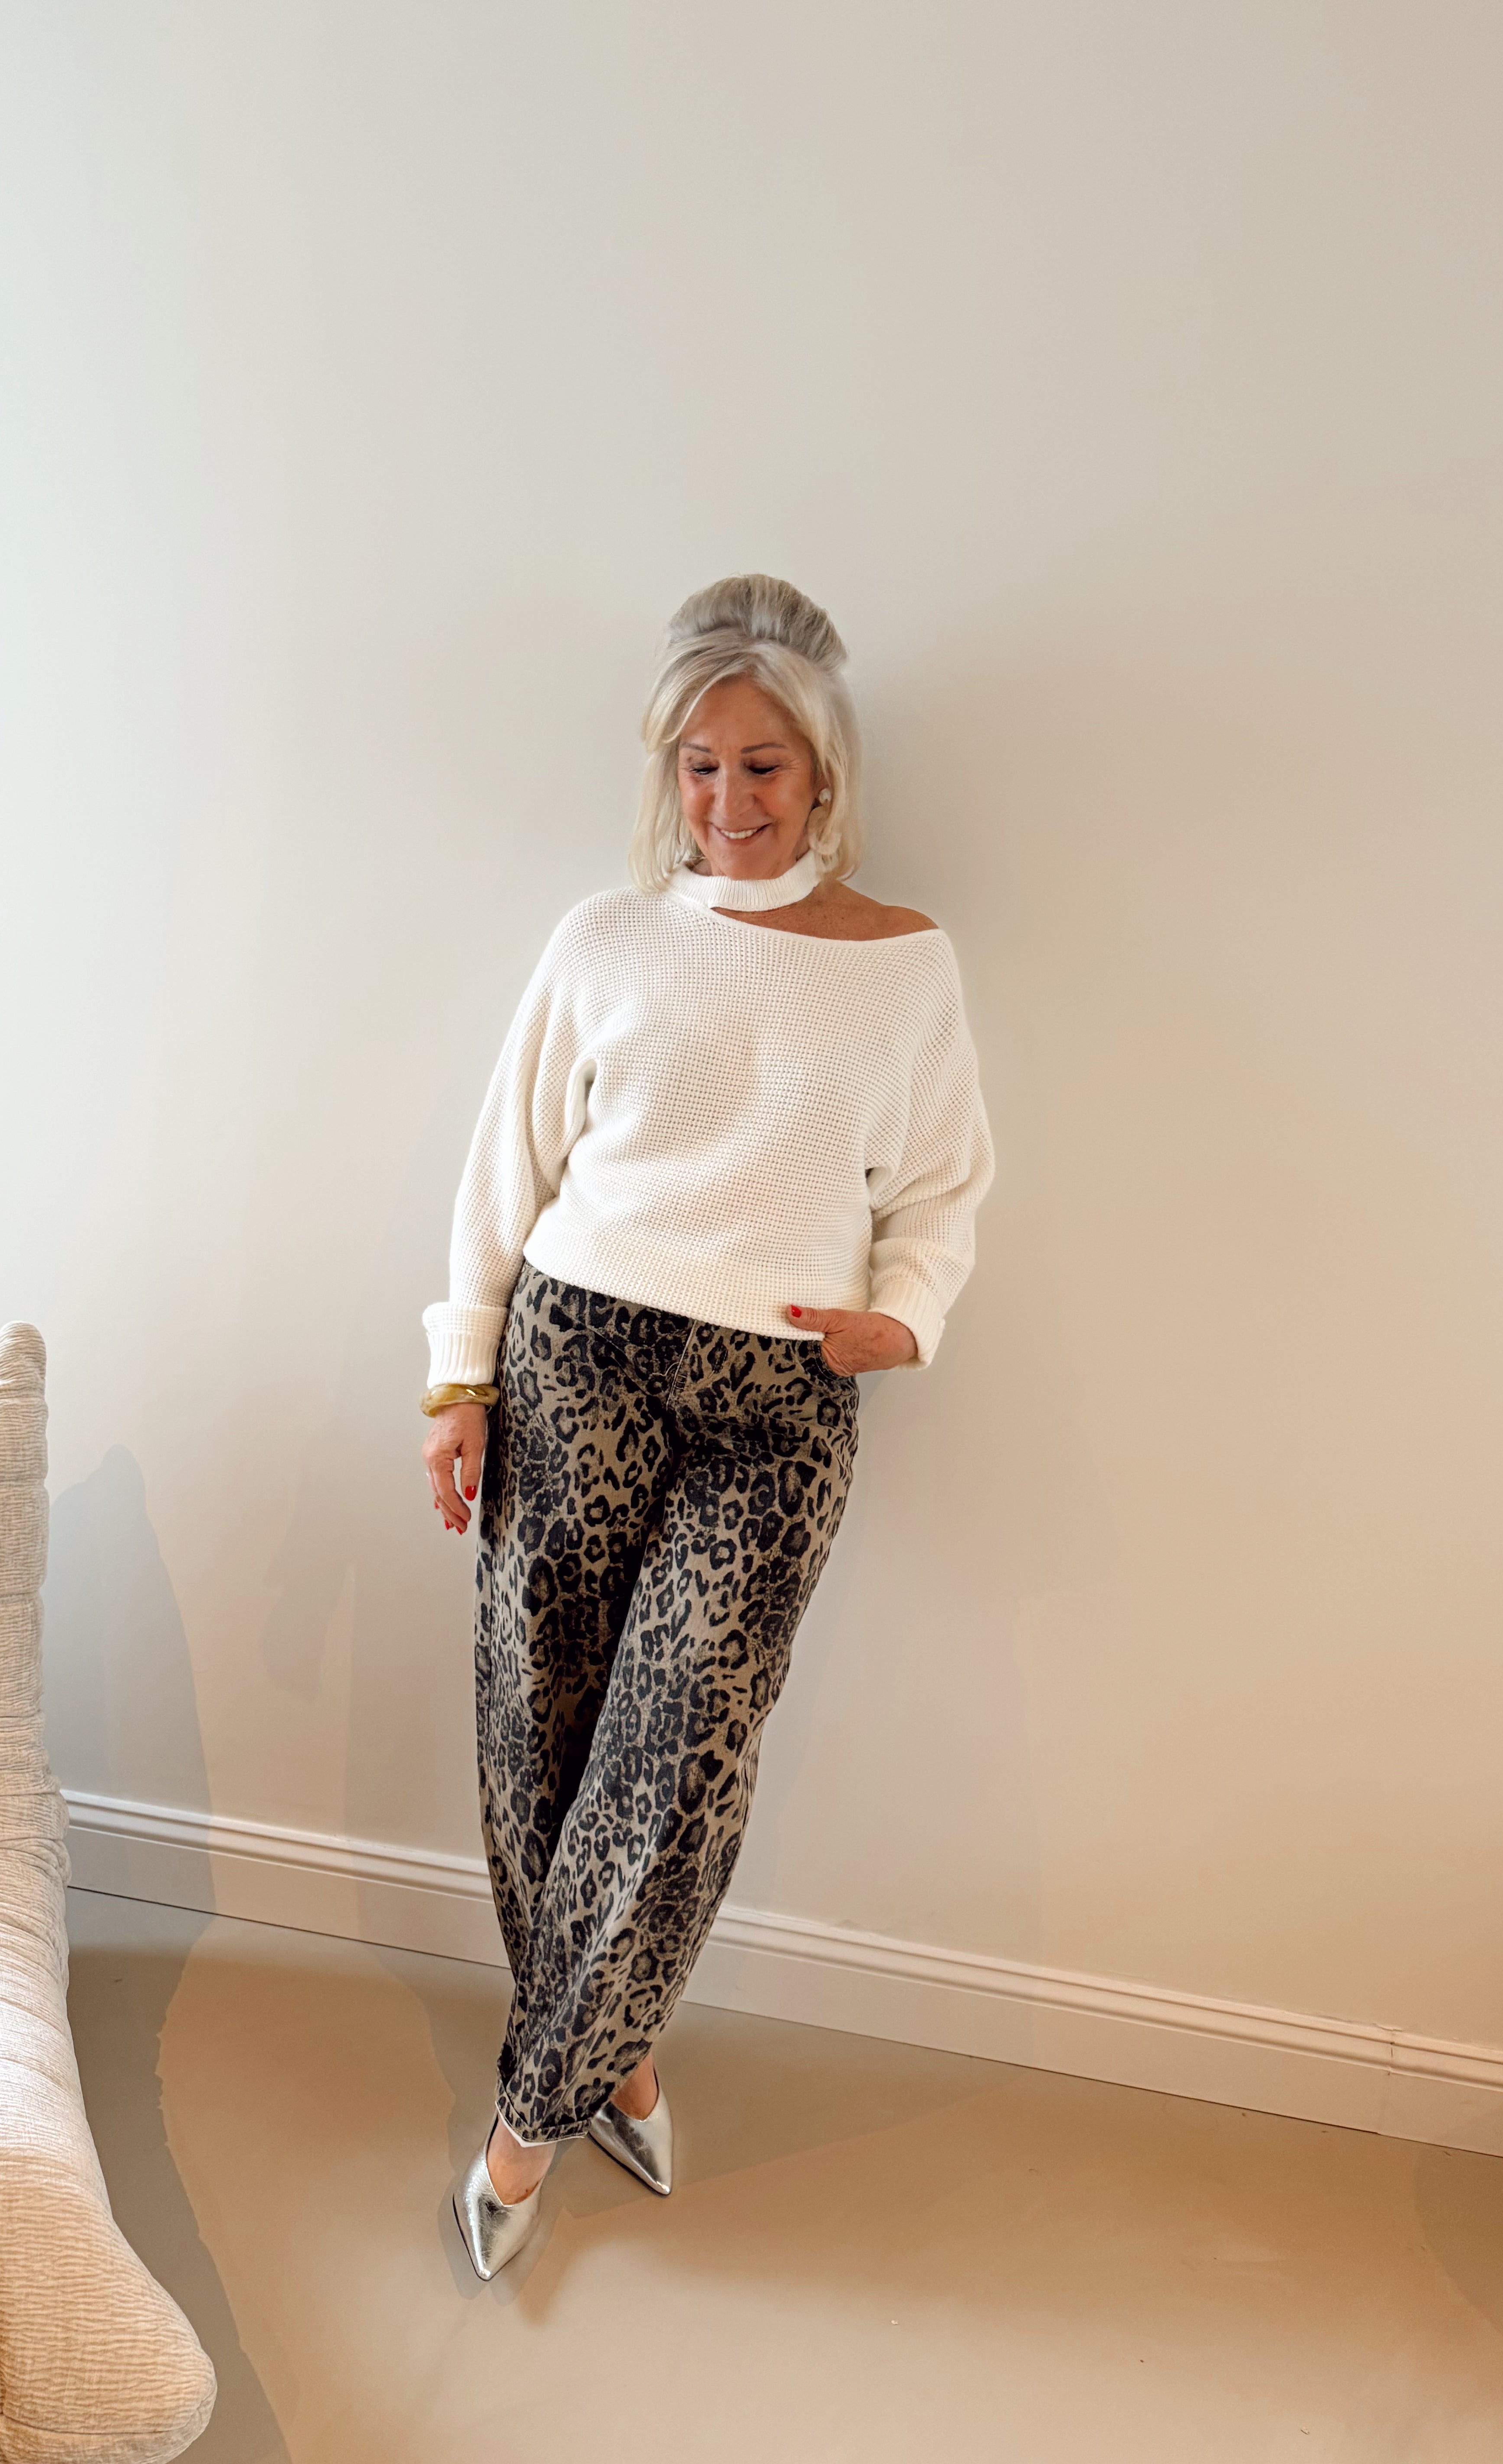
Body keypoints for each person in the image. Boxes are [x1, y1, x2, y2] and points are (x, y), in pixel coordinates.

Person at [420, 573, 994, 2279]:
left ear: (823, 773)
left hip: (778, 1405)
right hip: (577, 1353)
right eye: (699, 766)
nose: (730, 802)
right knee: (541, 1730)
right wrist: (460, 1379)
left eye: (764, 767)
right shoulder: (603, 940)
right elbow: (505, 1167)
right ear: (667, 773)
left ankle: (525, 2126)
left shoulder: (905, 963)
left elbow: (947, 1182)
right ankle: (621, 2057)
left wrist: (911, 1312)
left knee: (676, 1761)